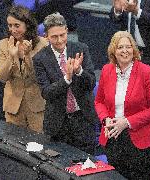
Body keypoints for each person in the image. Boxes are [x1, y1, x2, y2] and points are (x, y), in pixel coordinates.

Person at [94, 31, 150, 180]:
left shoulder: (147, 72)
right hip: (113, 135)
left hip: (140, 139)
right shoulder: (107, 70)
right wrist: (105, 119)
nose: (125, 51)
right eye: (120, 47)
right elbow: (99, 101)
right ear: (113, 50)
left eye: (128, 46)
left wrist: (126, 122)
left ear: (134, 49)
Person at [33, 12, 96, 154]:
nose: (60, 40)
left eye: (62, 35)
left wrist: (79, 71)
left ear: (67, 31)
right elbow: (46, 93)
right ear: (46, 36)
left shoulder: (81, 49)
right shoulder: (40, 58)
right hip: (58, 125)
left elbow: (91, 83)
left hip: (83, 120)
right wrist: (67, 78)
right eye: (54, 37)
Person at [0, 5, 48, 132]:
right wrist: (11, 57)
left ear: (27, 25)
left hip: (36, 106)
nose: (12, 29)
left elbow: (40, 77)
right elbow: (2, 77)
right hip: (13, 107)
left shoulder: (42, 45)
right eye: (10, 25)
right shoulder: (3, 44)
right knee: (14, 147)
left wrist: (27, 56)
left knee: (38, 146)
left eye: (16, 25)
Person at [110, 0, 150, 85]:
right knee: (125, 93)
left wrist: (137, 11)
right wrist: (117, 11)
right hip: (127, 55)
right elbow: (116, 19)